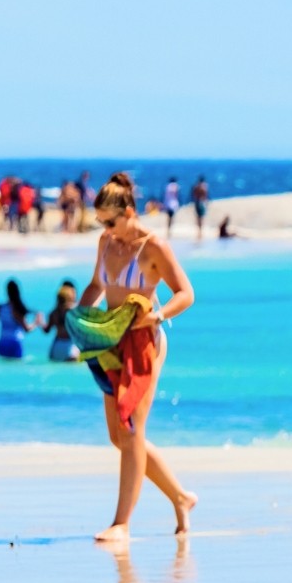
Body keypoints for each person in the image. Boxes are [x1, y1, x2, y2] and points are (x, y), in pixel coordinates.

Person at [78, 172, 198, 544]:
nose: (107, 229)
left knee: (131, 431)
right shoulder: (106, 243)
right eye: (102, 222)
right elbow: (97, 286)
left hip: (144, 342)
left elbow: (185, 293)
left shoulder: (153, 247)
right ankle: (181, 497)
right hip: (110, 341)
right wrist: (77, 321)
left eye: (111, 221)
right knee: (120, 436)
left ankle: (121, 524)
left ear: (130, 211)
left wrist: (157, 315)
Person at [43, 280, 80, 362]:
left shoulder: (53, 313)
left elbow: (46, 330)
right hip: (70, 347)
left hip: (56, 347)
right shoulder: (74, 311)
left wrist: (40, 321)